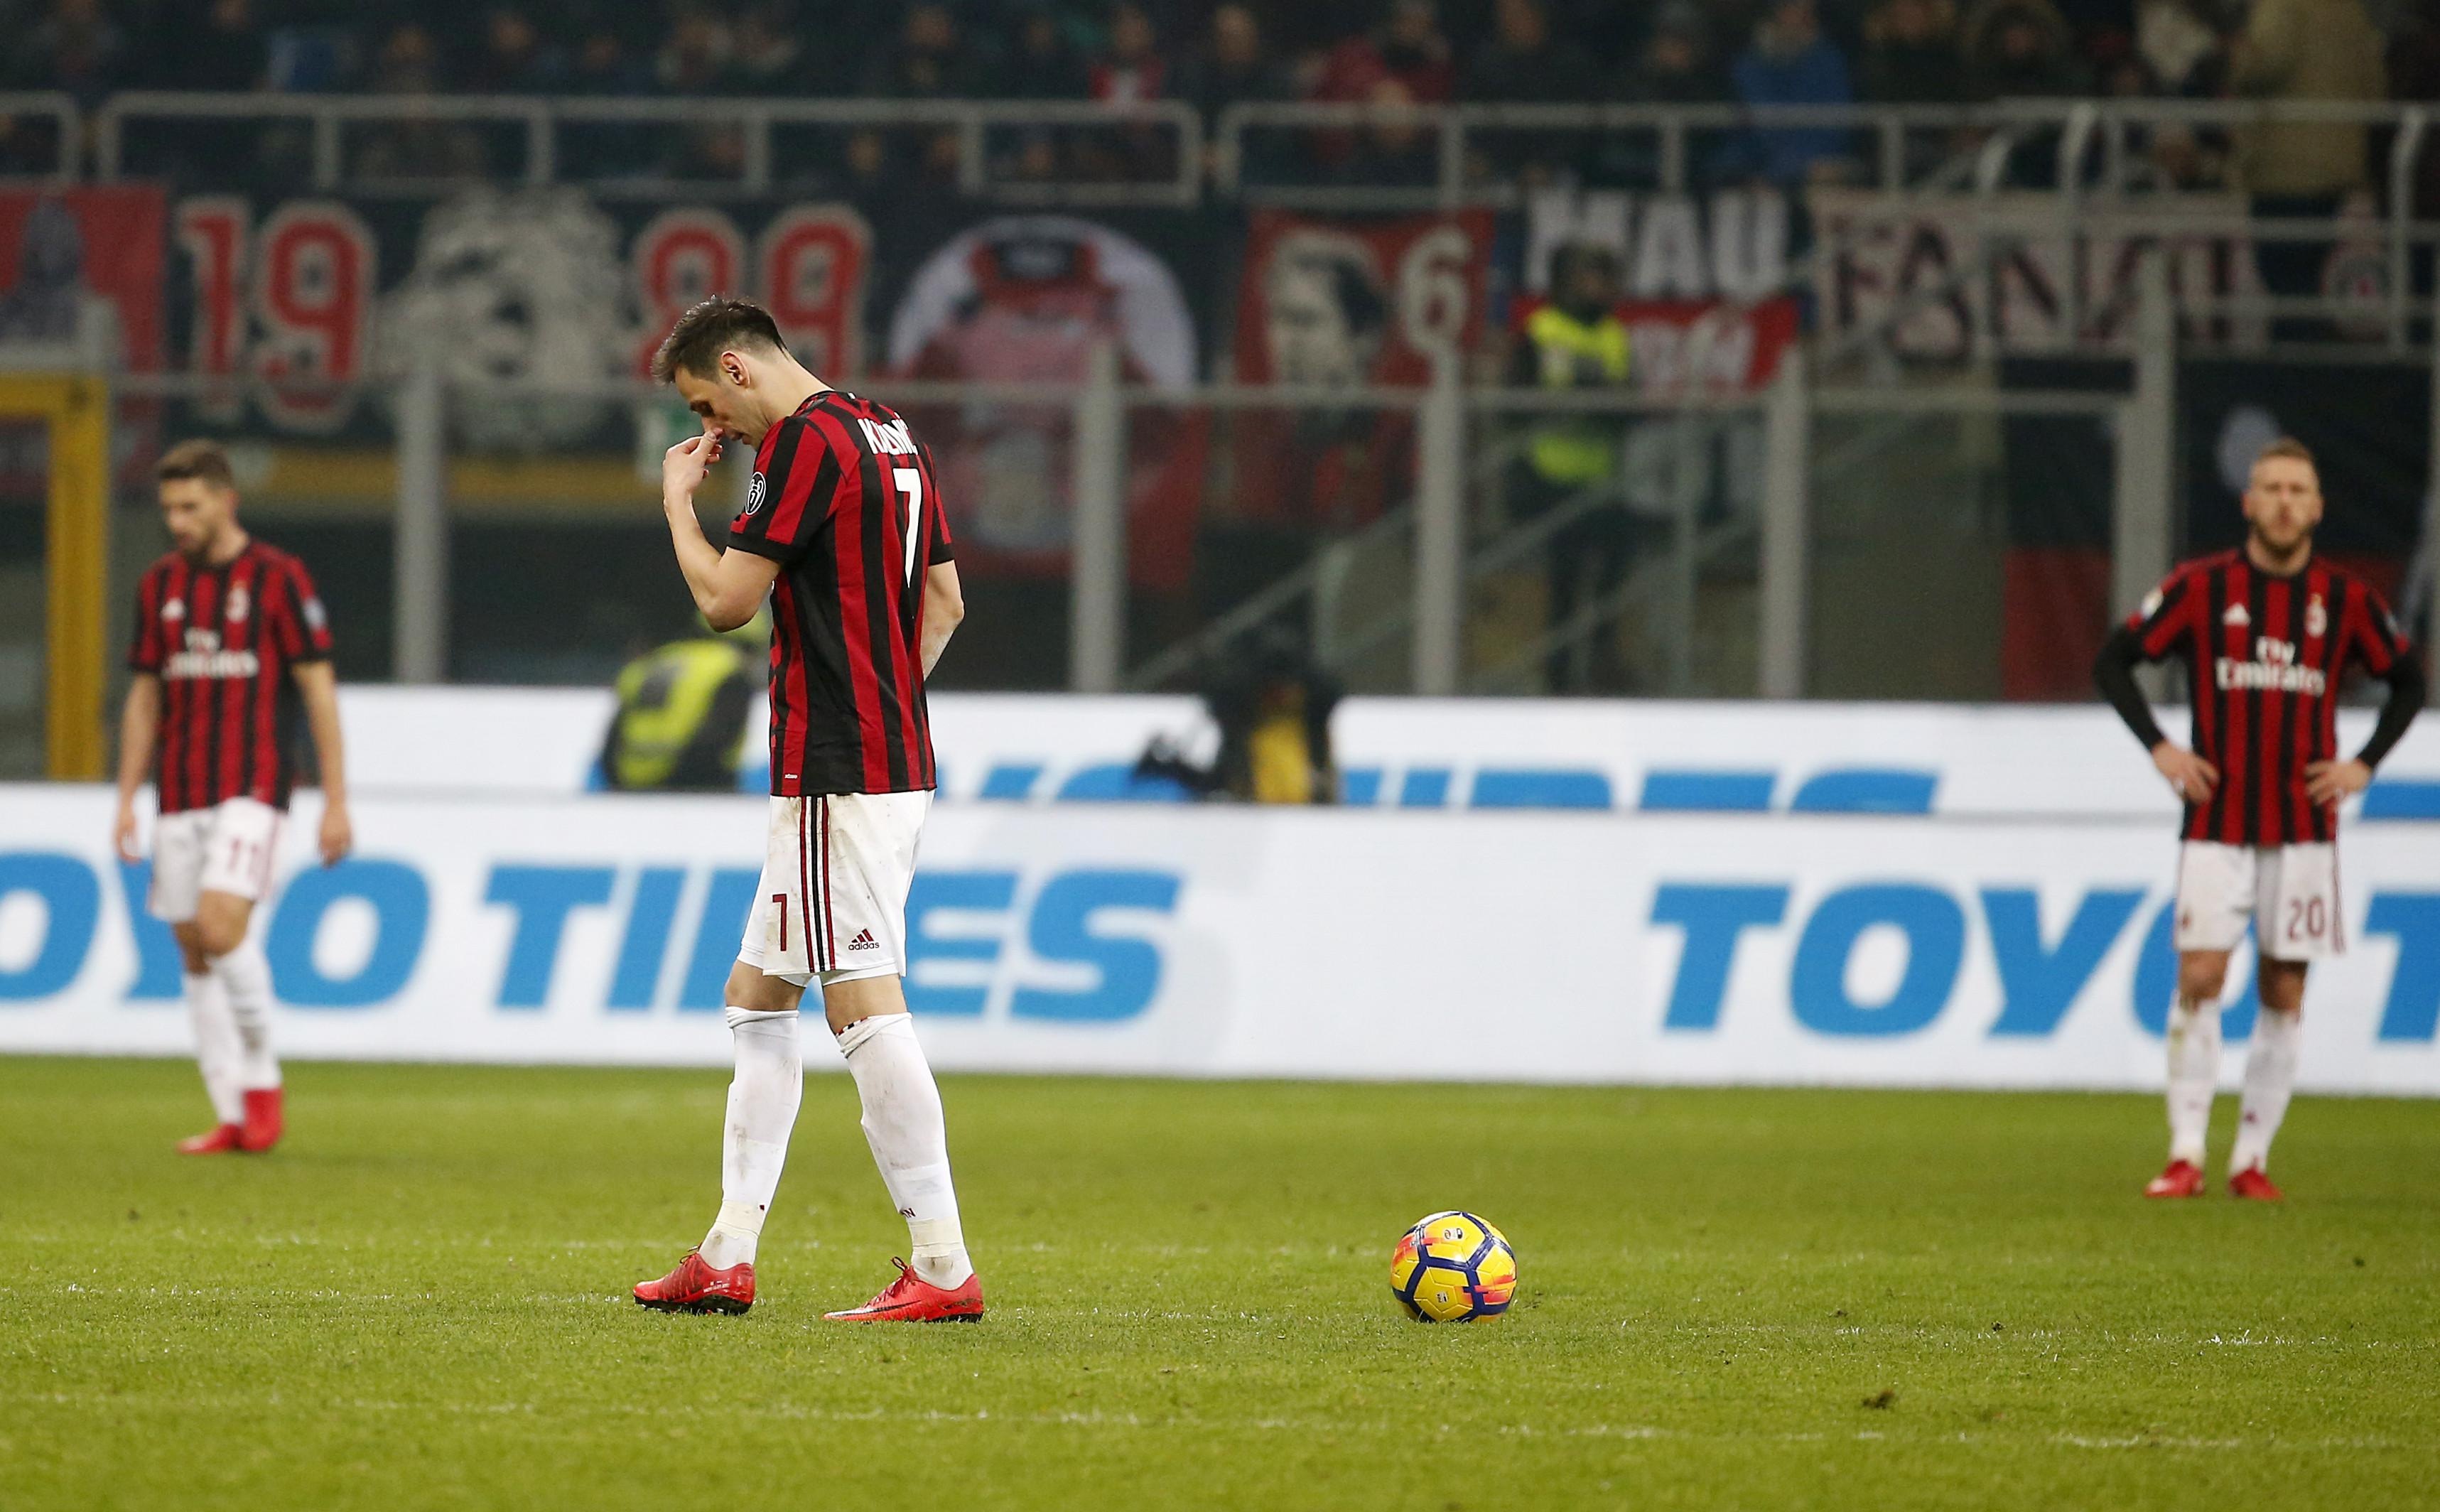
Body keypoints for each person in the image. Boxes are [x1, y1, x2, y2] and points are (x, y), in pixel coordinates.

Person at [637, 296, 979, 1322]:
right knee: (757, 997)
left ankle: (944, 1266)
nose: (716, 430)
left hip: (839, 767)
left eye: (708, 405)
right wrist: (885, 703)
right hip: (883, 756)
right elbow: (946, 604)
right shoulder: (892, 432)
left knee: (862, 1005)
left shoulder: (802, 444)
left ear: (737, 368)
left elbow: (725, 602)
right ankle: (726, 1254)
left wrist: (677, 506)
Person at [2093, 438, 2424, 1202]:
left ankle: (2250, 1158)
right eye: (2270, 488)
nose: (2282, 502)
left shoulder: (2343, 599)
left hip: (2304, 827)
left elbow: (2407, 681)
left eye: (2296, 490)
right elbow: (2113, 661)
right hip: (2216, 819)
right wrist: (2160, 748)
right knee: (2200, 975)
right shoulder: (2201, 587)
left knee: (2283, 990)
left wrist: (2363, 764)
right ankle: (2185, 1153)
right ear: (2247, 502)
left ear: (2316, 507)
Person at [113, 440, 352, 1156]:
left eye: (190, 507)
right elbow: (145, 697)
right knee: (192, 949)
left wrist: (336, 799)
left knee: (221, 929)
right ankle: (230, 1112)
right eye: (169, 509)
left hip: (254, 785)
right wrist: (126, 797)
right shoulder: (159, 586)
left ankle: (263, 1083)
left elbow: (317, 689)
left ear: (226, 500)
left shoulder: (278, 578)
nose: (178, 521)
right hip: (179, 790)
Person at [1508, 243, 1634, 692]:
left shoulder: (1615, 335)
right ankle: (1558, 679)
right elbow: (1514, 401)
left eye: (1605, 278)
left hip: (1600, 479)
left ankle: (1601, 657)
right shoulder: (1541, 330)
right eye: (1589, 277)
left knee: (1617, 559)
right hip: (1549, 478)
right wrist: (1569, 402)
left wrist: (1604, 403)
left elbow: (1631, 402)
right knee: (1564, 584)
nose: (1599, 287)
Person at [598, 619, 762, 792]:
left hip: (628, 778)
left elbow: (614, 736)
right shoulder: (730, 669)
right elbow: (720, 738)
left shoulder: (655, 660)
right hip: (693, 785)